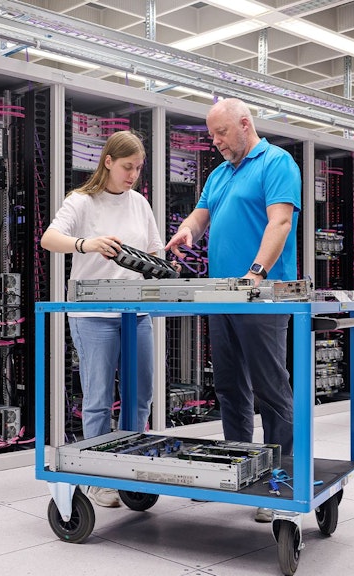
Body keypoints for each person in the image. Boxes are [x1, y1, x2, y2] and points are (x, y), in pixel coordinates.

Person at [165, 98, 301, 523]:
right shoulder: (220, 174)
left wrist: (255, 274)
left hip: (261, 294)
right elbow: (200, 216)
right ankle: (238, 469)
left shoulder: (276, 162)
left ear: (245, 125)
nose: (216, 142)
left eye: (221, 133)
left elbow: (279, 222)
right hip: (222, 295)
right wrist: (185, 232)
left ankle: (279, 480)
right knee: (228, 387)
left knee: (270, 389)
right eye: (212, 135)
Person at [40, 131, 163, 508]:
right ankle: (97, 476)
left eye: (139, 168)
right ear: (108, 161)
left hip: (137, 313)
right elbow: (48, 238)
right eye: (128, 167)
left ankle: (129, 465)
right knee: (98, 399)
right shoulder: (82, 201)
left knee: (141, 395)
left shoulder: (140, 203)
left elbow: (154, 251)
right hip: (93, 314)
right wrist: (86, 244)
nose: (133, 175)